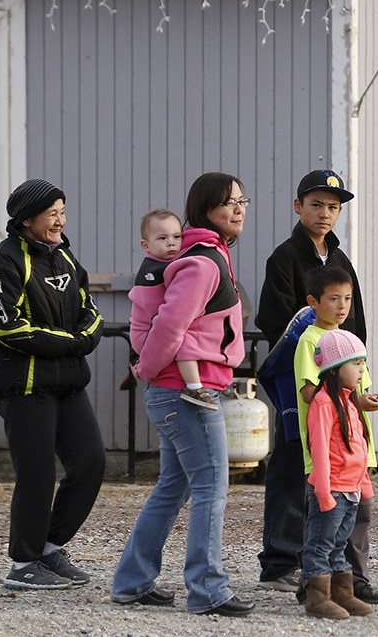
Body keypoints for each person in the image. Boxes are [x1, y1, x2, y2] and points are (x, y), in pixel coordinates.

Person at [111, 173, 254, 616]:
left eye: (242, 200)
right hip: (185, 394)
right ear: (205, 208)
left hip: (179, 391)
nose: (239, 209)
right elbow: (169, 326)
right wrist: (145, 370)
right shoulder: (201, 262)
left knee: (173, 486)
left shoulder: (208, 255)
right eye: (228, 202)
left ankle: (133, 582)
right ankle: (208, 590)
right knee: (211, 485)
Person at [254, 171, 378, 603]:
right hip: (304, 388)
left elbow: (357, 328)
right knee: (293, 469)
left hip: (344, 391)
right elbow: (272, 321)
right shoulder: (284, 257)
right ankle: (280, 560)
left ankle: (340, 570)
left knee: (343, 472)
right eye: (316, 204)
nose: (324, 213)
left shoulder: (341, 263)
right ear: (298, 207)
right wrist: (314, 352)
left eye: (333, 206)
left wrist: (355, 378)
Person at [0, 178, 106, 590]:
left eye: (63, 212)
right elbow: (7, 328)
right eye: (52, 214)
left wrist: (83, 337)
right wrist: (72, 343)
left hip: (67, 383)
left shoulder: (65, 259)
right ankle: (23, 564)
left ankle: (49, 548)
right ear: (26, 219)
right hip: (24, 386)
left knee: (90, 463)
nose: (60, 221)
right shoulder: (3, 264)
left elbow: (91, 310)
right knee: (36, 474)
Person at [287, 266, 378, 603]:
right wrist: (350, 399)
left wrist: (364, 401)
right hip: (327, 452)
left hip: (356, 452)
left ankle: (353, 582)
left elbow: (355, 389)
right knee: (323, 519)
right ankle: (312, 585)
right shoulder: (313, 341)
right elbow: (309, 393)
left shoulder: (349, 342)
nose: (342, 305)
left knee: (357, 517)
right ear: (314, 302)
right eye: (334, 298)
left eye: (347, 298)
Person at [300, 329, 378, 619]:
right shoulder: (323, 402)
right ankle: (317, 599)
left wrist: (363, 485)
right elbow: (319, 449)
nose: (362, 370)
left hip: (350, 490)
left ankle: (342, 593)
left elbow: (358, 446)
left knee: (338, 545)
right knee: (321, 545)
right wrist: (322, 492)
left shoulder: (349, 401)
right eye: (355, 364)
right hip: (330, 490)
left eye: (363, 363)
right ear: (334, 369)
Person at [130, 209, 215, 410]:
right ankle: (194, 387)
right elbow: (160, 317)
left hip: (154, 333)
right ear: (146, 245)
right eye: (162, 238)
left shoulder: (171, 265)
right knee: (183, 337)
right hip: (146, 334)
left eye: (177, 236)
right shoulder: (150, 272)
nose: (171, 242)